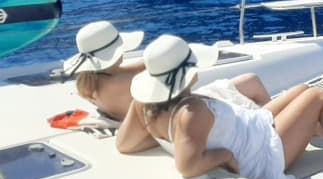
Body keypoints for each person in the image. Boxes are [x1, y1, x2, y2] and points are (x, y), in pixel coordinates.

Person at [117, 34, 323, 179]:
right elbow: (188, 167)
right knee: (317, 97)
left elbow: (125, 144)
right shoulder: (191, 112)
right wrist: (225, 156)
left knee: (302, 90)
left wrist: (167, 139)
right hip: (263, 153)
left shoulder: (145, 106)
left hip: (254, 129)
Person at [64, 20, 270, 122]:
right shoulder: (126, 77)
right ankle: (269, 127)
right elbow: (154, 64)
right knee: (251, 81)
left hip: (158, 118)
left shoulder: (89, 83)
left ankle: (267, 119)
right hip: (181, 112)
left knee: (246, 86)